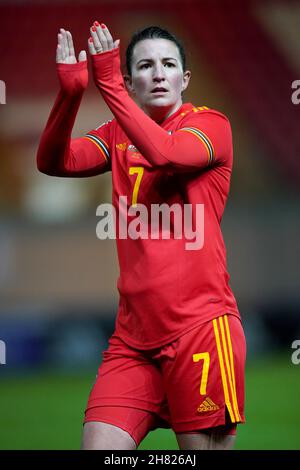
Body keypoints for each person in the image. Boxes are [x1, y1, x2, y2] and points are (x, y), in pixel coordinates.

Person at [37, 22, 246, 451]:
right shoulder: (117, 136)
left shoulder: (211, 126)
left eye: (168, 64)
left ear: (184, 79)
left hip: (200, 330)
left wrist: (109, 84)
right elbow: (54, 161)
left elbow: (165, 152)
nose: (158, 73)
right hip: (132, 341)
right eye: (145, 66)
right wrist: (71, 96)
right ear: (132, 82)